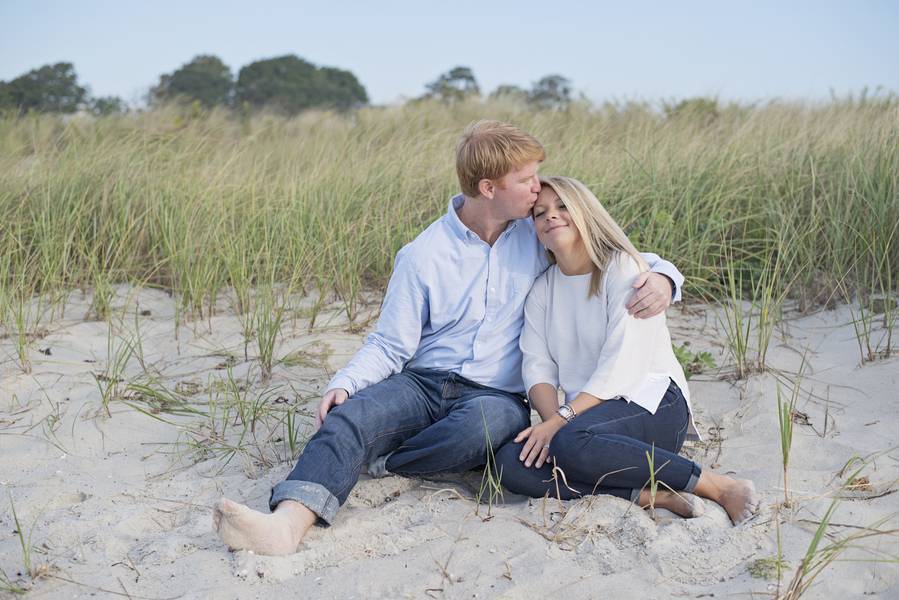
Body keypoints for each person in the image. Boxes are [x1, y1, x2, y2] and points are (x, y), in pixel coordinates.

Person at [212, 121, 685, 555]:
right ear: (488, 188)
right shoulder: (422, 255)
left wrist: (665, 278)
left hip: (495, 394)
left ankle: (386, 462)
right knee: (352, 416)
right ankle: (287, 525)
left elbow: (610, 252)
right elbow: (390, 344)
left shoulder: (536, 232)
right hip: (423, 381)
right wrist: (348, 381)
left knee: (480, 428)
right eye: (526, 180)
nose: (538, 189)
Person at [495, 176, 759, 524]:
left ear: (586, 214)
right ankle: (649, 495)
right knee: (510, 462)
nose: (551, 217)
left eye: (563, 207)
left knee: (570, 442)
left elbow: (621, 368)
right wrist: (548, 427)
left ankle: (716, 486)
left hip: (652, 404)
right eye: (540, 213)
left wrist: (562, 423)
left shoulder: (623, 269)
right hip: (586, 422)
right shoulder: (543, 290)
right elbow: (537, 368)